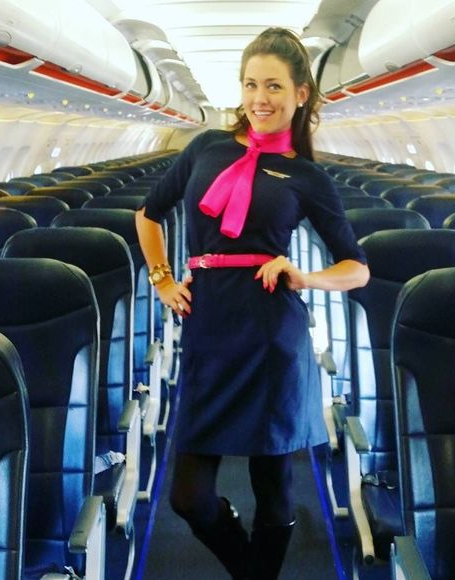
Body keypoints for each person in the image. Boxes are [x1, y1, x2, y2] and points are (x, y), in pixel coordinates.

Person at [136, 27, 370, 580]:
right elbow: (148, 214)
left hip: (272, 337)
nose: (259, 99)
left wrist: (304, 275)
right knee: (189, 497)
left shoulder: (307, 175)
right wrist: (163, 279)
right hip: (208, 329)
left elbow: (357, 268)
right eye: (250, 85)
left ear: (301, 94)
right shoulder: (205, 148)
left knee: (275, 490)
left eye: (273, 86)